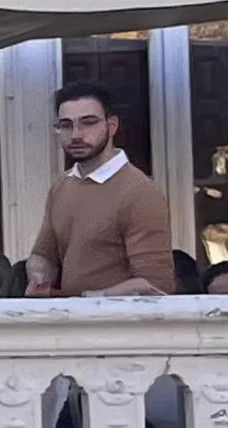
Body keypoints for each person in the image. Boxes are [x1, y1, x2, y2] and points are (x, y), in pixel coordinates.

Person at [27, 81, 173, 296]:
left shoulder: (140, 192)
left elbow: (157, 285)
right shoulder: (62, 186)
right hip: (70, 324)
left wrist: (95, 299)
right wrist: (39, 275)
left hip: (120, 325)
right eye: (66, 125)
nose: (76, 134)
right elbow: (43, 255)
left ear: (112, 125)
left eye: (88, 123)